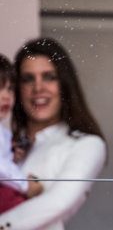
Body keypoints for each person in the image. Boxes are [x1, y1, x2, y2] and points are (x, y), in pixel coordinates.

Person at [0, 38, 107, 230]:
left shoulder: (86, 144)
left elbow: (58, 203)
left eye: (49, 77)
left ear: (65, 85)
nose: (38, 88)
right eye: (28, 79)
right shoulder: (8, 143)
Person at [0, 54, 43, 214]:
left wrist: (13, 158)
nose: (6, 96)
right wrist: (25, 185)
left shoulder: (4, 134)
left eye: (10, 89)